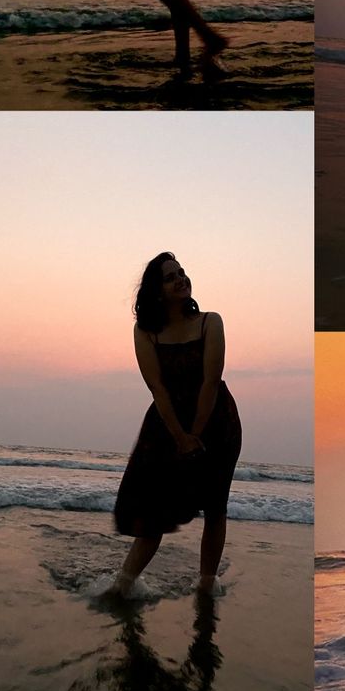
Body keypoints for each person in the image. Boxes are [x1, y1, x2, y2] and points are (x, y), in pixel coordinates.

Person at [110, 252, 242, 597]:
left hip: (215, 421)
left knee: (215, 506)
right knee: (153, 507)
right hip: (166, 425)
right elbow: (157, 388)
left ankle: (206, 584)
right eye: (171, 277)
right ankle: (124, 585)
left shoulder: (210, 322)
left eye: (182, 273)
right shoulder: (145, 332)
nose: (181, 279)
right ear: (157, 290)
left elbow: (211, 380)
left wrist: (195, 435)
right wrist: (180, 438)